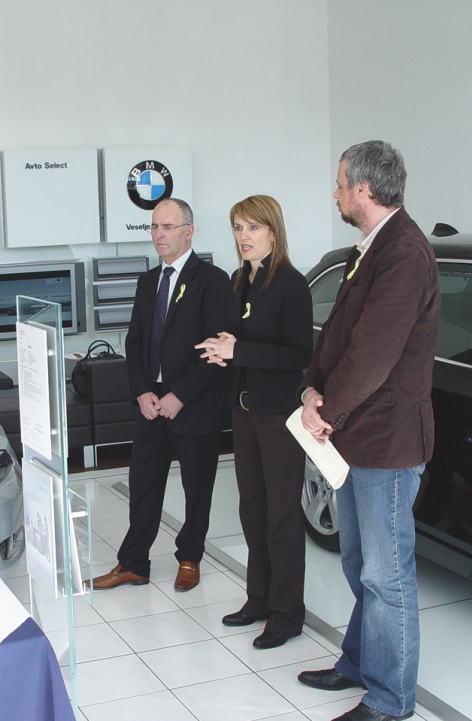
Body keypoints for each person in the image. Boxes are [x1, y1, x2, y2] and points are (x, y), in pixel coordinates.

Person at [298, 142, 440, 721]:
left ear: (362, 189)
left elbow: (373, 354)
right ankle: (359, 662)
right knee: (359, 566)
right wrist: (311, 387)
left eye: (339, 185)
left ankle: (389, 700)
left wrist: (326, 409)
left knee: (386, 576)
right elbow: (338, 333)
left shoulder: (404, 252)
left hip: (388, 443)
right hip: (356, 438)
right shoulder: (373, 247)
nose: (335, 194)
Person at [89, 198, 231, 592]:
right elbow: (134, 342)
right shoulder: (148, 281)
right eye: (154, 227)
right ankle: (133, 563)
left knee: (196, 488)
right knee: (143, 485)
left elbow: (214, 349)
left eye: (167, 227)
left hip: (193, 403)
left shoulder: (213, 280)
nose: (158, 234)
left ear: (189, 231)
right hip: (151, 402)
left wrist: (179, 395)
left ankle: (189, 557)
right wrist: (141, 392)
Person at [196, 195, 313, 649]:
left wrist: (238, 350)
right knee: (252, 507)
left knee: (282, 514)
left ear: (273, 231)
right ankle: (259, 599)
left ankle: (287, 614)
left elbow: (297, 355)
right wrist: (224, 349)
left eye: (252, 227)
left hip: (278, 414)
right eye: (237, 228)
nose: (243, 237)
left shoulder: (291, 284)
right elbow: (241, 338)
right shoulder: (238, 279)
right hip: (243, 410)